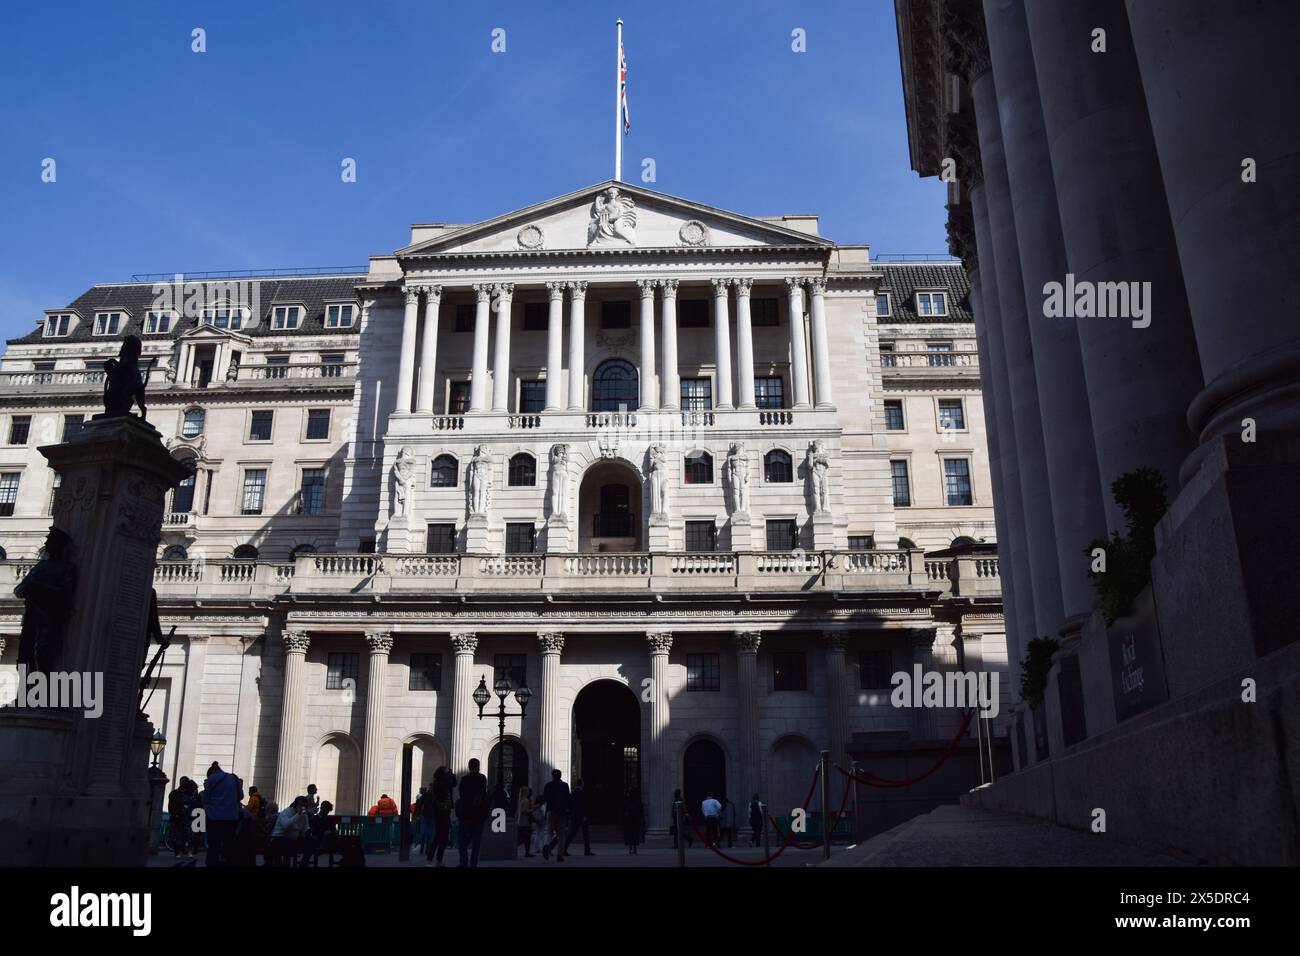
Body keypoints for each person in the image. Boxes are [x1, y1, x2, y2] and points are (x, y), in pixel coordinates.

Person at [201, 761, 244, 867]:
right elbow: (241, 796)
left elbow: (205, 799)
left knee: (213, 845)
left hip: (214, 817)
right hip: (231, 818)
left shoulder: (210, 780)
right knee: (229, 844)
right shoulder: (234, 778)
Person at [456, 758, 489, 868]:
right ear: (478, 766)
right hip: (479, 814)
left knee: (463, 841)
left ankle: (463, 862)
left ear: (469, 767)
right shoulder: (482, 778)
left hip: (466, 814)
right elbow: (484, 794)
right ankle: (473, 863)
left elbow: (461, 795)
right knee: (476, 841)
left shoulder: (465, 779)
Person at [269, 796, 311, 866]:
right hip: (279, 837)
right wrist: (298, 815)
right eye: (301, 805)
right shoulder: (286, 812)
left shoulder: (304, 816)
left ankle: (303, 864)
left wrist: (307, 832)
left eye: (305, 806)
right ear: (295, 805)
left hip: (293, 839)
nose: (303, 807)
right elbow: (286, 826)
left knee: (311, 842)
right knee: (288, 843)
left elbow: (305, 829)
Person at [541, 769, 571, 862]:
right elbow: (568, 799)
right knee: (561, 834)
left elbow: (544, 798)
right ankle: (559, 855)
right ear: (560, 776)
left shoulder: (548, 785)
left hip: (551, 811)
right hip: (562, 813)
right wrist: (568, 811)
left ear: (552, 776)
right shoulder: (565, 786)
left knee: (549, 832)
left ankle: (546, 845)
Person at [165, 777, 196, 862]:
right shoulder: (175, 793)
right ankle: (178, 851)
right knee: (177, 836)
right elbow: (171, 805)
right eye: (182, 782)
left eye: (184, 782)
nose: (183, 783)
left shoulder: (190, 794)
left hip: (187, 817)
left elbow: (194, 804)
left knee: (189, 835)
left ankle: (188, 851)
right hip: (177, 817)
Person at [429, 767, 455, 866]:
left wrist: (451, 773)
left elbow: (454, 783)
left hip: (444, 811)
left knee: (439, 836)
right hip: (441, 811)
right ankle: (436, 859)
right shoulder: (439, 783)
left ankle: (434, 858)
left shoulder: (441, 782)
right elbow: (451, 783)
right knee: (441, 836)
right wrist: (450, 774)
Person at [565, 778, 593, 857]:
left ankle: (564, 849)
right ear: (582, 784)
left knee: (571, 834)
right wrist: (584, 816)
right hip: (581, 816)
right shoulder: (581, 793)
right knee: (585, 834)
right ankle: (587, 851)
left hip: (574, 816)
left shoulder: (573, 793)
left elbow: (570, 805)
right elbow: (582, 805)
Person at [622, 787, 645, 855]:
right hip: (634, 820)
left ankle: (631, 848)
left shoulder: (628, 800)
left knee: (630, 835)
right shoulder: (637, 800)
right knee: (634, 835)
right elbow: (640, 811)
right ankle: (634, 848)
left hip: (630, 821)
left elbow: (624, 810)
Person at [515, 784, 535, 858]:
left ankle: (526, 852)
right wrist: (532, 810)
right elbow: (525, 811)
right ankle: (526, 852)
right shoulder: (526, 800)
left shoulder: (520, 800)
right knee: (525, 838)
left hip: (521, 821)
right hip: (525, 822)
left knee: (523, 838)